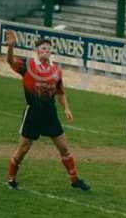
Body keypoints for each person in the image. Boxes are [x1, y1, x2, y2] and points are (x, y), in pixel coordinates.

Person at [5, 30, 90, 191]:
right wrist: (10, 48)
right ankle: (11, 178)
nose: (46, 51)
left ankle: (74, 180)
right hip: (33, 114)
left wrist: (66, 108)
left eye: (48, 48)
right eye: (43, 48)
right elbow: (10, 62)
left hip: (50, 114)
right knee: (22, 150)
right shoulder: (28, 65)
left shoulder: (56, 70)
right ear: (36, 51)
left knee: (64, 148)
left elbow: (60, 91)